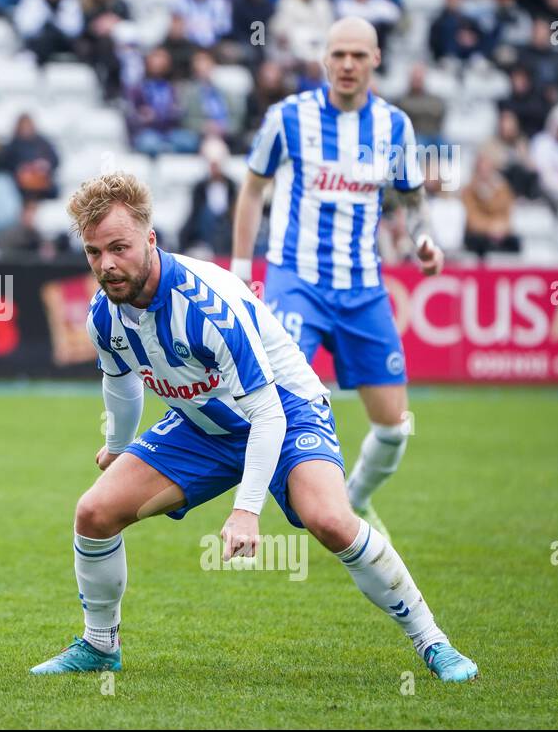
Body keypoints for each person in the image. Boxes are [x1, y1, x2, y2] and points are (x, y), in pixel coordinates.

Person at [30, 173, 477, 685]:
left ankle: (433, 641)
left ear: (150, 240)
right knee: (94, 512)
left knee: (329, 520)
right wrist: (116, 448)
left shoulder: (206, 305)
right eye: (93, 252)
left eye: (119, 247)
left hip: (285, 410)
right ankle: (99, 645)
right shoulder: (104, 315)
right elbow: (122, 384)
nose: (106, 264)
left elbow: (268, 415)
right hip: (205, 421)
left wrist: (246, 512)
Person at [232, 17, 445, 541]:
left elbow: (411, 199)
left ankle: (355, 502)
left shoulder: (394, 126)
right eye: (338, 54)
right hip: (295, 282)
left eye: (358, 55)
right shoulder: (287, 117)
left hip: (362, 288)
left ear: (375, 59)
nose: (347, 64)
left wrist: (423, 241)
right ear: (325, 60)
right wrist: (241, 272)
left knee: (395, 428)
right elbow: (253, 189)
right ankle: (256, 509)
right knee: (272, 401)